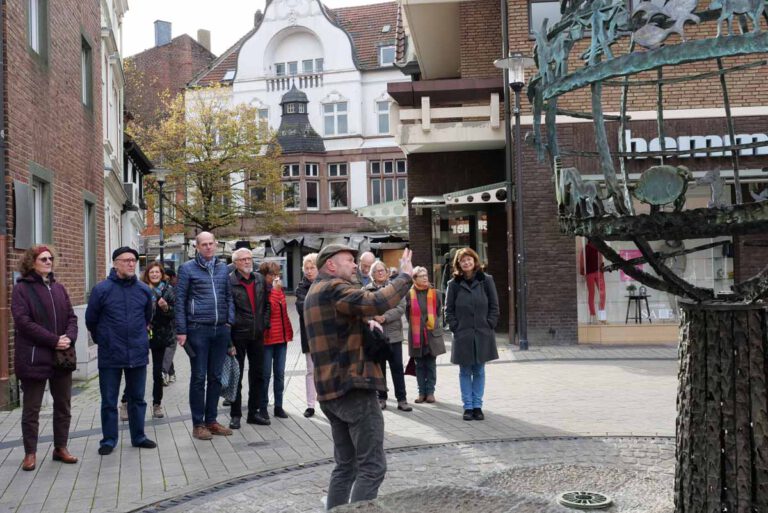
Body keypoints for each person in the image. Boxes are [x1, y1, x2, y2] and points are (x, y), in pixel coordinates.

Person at [304, 245, 413, 509]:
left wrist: (365, 322)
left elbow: (356, 312)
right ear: (331, 265)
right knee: (372, 467)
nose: (355, 266)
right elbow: (376, 301)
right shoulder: (333, 288)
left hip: (331, 390)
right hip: (352, 387)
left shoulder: (315, 292)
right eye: (349, 261)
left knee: (346, 466)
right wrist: (405, 277)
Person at [12, 245, 79, 471]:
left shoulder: (59, 288)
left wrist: (69, 337)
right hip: (34, 357)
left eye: (50, 258)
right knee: (32, 409)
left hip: (61, 357)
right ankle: (30, 453)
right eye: (43, 259)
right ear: (32, 262)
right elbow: (23, 322)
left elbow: (71, 317)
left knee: (63, 406)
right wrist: (53, 340)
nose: (49, 262)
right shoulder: (21, 289)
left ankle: (61, 448)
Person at [86, 247, 157, 455]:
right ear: (115, 263)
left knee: (138, 398)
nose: (131, 264)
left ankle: (139, 436)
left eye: (134, 260)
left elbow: (147, 317)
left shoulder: (143, 290)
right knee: (109, 400)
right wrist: (105, 339)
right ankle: (108, 440)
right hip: (110, 353)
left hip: (137, 352)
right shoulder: (102, 289)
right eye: (126, 260)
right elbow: (91, 319)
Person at [175, 232, 235, 440]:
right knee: (199, 377)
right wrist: (181, 330)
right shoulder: (186, 269)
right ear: (197, 247)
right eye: (204, 244)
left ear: (216, 244)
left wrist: (229, 320)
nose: (209, 247)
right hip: (198, 329)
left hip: (221, 330)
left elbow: (229, 296)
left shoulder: (222, 268)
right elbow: (179, 301)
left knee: (216, 377)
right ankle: (198, 424)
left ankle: (212, 420)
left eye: (211, 243)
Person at [444, 247, 499, 422]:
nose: (466, 263)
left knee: (480, 370)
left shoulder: (486, 280)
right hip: (463, 334)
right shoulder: (453, 284)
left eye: (469, 259)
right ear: (458, 264)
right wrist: (455, 327)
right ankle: (467, 407)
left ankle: (477, 406)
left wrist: (490, 324)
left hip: (482, 332)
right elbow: (448, 310)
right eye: (463, 260)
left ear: (475, 261)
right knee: (465, 370)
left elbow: (494, 306)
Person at [228, 248, 269, 429]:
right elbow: (226, 312)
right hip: (238, 335)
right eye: (243, 259)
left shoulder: (259, 279)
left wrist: (264, 324)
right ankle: (235, 415)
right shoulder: (229, 281)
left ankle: (253, 413)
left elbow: (266, 305)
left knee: (258, 375)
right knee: (236, 376)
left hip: (257, 334)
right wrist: (229, 342)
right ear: (235, 263)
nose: (247, 262)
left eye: (249, 259)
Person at [365, 260, 411, 412]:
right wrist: (374, 316)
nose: (380, 272)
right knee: (380, 369)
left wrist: (384, 317)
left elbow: (401, 307)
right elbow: (364, 308)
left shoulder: (394, 288)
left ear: (386, 272)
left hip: (393, 335)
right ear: (372, 274)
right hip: (376, 337)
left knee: (397, 367)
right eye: (376, 271)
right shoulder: (366, 290)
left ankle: (402, 399)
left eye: (382, 270)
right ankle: (382, 397)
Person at [406, 267, 446, 404]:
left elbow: (438, 313)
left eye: (426, 275)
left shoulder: (436, 293)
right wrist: (418, 325)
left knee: (431, 364)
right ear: (414, 278)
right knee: (419, 365)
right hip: (417, 335)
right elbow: (408, 315)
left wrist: (428, 323)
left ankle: (430, 392)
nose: (424, 277)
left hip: (431, 335)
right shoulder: (409, 294)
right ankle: (421, 392)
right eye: (421, 275)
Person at [259, 261, 294, 420]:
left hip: (281, 337)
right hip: (267, 339)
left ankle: (278, 406)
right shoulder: (262, 290)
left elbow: (284, 312)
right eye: (272, 275)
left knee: (279, 374)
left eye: (277, 275)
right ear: (265, 276)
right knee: (265, 375)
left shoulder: (279, 291)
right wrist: (274, 291)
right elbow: (268, 309)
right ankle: (263, 406)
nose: (275, 278)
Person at [144, 262, 175, 418]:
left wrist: (166, 308)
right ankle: (125, 401)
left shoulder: (168, 290)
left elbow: (174, 313)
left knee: (157, 372)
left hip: (161, 335)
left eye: (157, 272)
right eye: (152, 272)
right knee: (135, 370)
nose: (154, 274)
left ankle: (157, 404)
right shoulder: (141, 289)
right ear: (147, 274)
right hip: (142, 334)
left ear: (162, 274)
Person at [294, 253, 318, 418]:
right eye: (307, 268)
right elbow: (303, 309)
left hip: (328, 335)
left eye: (312, 268)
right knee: (311, 370)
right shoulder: (301, 287)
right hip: (310, 334)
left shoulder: (328, 283)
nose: (309, 271)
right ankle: (310, 405)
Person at [579, 240, 606, 324]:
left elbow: (601, 259)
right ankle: (595, 316)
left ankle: (599, 317)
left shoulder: (591, 248)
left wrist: (582, 271)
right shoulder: (588, 248)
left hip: (596, 273)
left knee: (599, 294)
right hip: (592, 273)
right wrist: (582, 270)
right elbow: (582, 261)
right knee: (595, 294)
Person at [163, 268, 178, 384]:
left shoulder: (174, 289)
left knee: (168, 349)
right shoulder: (162, 288)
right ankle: (170, 372)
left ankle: (165, 373)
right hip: (163, 324)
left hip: (173, 324)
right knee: (166, 351)